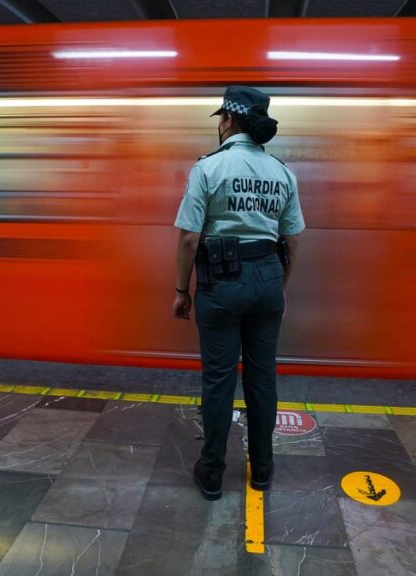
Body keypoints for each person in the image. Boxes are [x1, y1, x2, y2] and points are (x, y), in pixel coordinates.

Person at [172, 85, 304, 501]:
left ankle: (211, 474)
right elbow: (293, 239)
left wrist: (181, 290)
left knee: (218, 381)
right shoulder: (282, 172)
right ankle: (262, 469)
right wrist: (278, 288)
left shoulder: (208, 168)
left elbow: (190, 238)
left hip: (221, 283)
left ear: (228, 120)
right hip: (267, 278)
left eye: (220, 119)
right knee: (263, 379)